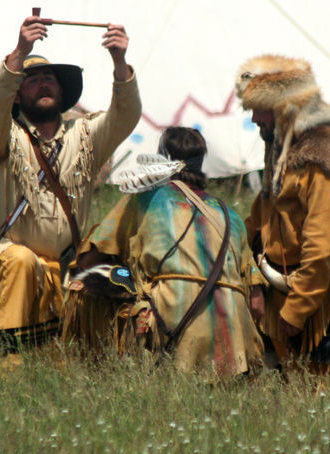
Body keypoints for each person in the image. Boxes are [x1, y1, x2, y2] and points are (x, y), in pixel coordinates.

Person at [0, 14, 141, 344]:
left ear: (62, 92)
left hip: (66, 267)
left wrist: (120, 61)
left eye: (49, 77)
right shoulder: (1, 136)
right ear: (17, 95)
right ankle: (7, 362)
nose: (43, 82)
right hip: (11, 265)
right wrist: (20, 52)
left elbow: (125, 116)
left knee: (115, 278)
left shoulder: (85, 136)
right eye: (32, 80)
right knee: (20, 259)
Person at [63, 127, 264, 378]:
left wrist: (125, 274)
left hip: (171, 318)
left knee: (85, 286)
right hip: (234, 339)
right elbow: (257, 305)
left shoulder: (145, 199)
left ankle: (100, 372)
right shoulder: (229, 214)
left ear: (161, 157)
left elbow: (88, 259)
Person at [234, 54, 330, 373]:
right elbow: (261, 218)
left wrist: (297, 309)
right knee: (288, 384)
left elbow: (324, 246)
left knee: (322, 389)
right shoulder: (282, 149)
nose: (254, 119)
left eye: (258, 108)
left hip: (316, 294)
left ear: (284, 107)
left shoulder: (322, 157)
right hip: (281, 286)